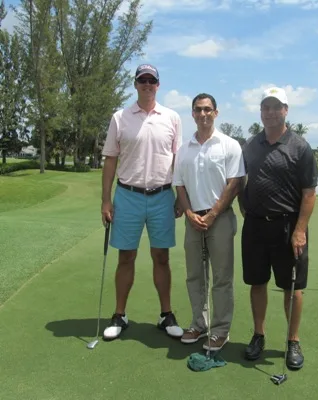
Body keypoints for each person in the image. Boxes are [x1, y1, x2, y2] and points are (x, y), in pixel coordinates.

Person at [100, 64, 184, 341]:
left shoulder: (172, 118)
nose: (147, 84)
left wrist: (181, 197)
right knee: (126, 256)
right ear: (135, 84)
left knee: (162, 257)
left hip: (162, 196)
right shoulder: (120, 117)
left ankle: (166, 315)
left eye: (151, 80)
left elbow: (178, 160)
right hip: (128, 195)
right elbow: (110, 159)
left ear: (158, 85)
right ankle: (119, 315)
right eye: (142, 80)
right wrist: (105, 200)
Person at [238, 87, 318, 370]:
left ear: (286, 110)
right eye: (266, 107)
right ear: (261, 111)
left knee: (292, 287)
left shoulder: (300, 147)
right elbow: (241, 180)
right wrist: (243, 205)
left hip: (288, 227)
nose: (271, 112)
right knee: (257, 282)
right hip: (256, 226)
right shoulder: (250, 145)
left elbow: (309, 193)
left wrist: (300, 230)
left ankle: (293, 340)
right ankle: (258, 334)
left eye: (276, 107)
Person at [172, 93, 245, 351]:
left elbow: (235, 183)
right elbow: (179, 184)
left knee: (222, 277)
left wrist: (213, 214)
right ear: (192, 113)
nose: (202, 114)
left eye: (207, 109)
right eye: (198, 109)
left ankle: (220, 330)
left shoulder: (229, 145)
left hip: (220, 218)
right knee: (195, 275)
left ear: (216, 112)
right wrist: (189, 212)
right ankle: (198, 324)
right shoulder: (184, 149)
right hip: (193, 219)